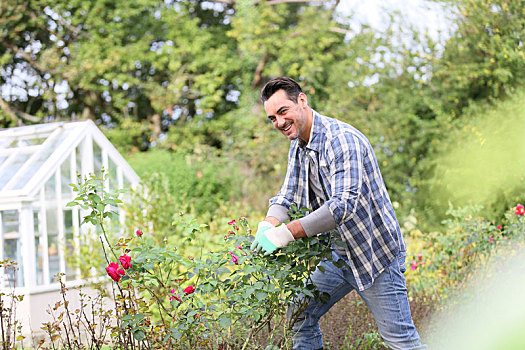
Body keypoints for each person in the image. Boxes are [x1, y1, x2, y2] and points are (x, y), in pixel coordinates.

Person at [251, 77, 426, 350]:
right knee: (299, 315)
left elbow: (342, 206)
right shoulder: (299, 147)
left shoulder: (342, 140)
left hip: (374, 256)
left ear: (302, 101)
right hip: (339, 255)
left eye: (283, 111)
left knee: (401, 341)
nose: (279, 122)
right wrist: (268, 224)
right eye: (272, 118)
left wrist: (285, 233)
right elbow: (287, 195)